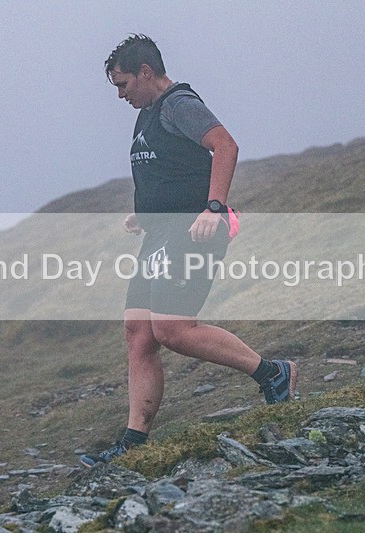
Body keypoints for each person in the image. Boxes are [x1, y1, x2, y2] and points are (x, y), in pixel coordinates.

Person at [80, 34, 297, 468]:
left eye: (123, 84)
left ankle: (274, 374)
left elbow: (225, 146)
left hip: (194, 233)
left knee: (173, 329)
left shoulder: (179, 104)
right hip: (160, 235)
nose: (120, 95)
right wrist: (145, 215)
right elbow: (173, 171)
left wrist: (214, 208)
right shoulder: (147, 114)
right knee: (138, 334)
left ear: (146, 72)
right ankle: (134, 443)